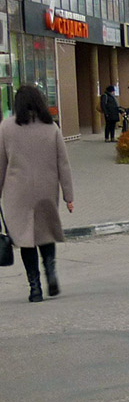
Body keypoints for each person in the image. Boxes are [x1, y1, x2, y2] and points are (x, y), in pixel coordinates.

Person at [0, 85, 75, 302]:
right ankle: (50, 270)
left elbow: (1, 165)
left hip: (17, 193)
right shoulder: (51, 128)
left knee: (25, 239)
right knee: (45, 233)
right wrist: (68, 196)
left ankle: (35, 288)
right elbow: (64, 164)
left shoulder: (5, 128)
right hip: (46, 189)